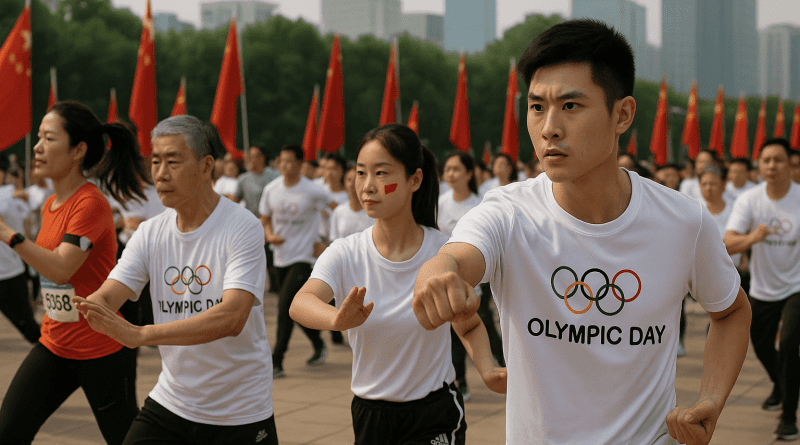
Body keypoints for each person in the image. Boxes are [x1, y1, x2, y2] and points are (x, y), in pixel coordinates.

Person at [412, 20, 751, 445]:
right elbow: (456, 258)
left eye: (570, 106)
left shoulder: (683, 220)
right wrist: (437, 273)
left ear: (622, 114)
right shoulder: (508, 214)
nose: (549, 127)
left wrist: (711, 400)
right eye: (537, 107)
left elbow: (732, 310)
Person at [289, 124, 505, 445]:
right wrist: (336, 320)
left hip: (433, 413)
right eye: (361, 173)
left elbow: (468, 324)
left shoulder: (443, 252)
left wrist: (488, 369)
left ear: (414, 180)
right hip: (370, 413)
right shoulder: (346, 252)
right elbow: (300, 302)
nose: (367, 186)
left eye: (381, 173)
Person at [73, 115, 278, 444]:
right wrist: (92, 305)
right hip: (172, 400)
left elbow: (232, 316)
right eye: (155, 161)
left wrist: (141, 334)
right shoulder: (150, 232)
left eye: (173, 161)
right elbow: (109, 296)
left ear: (205, 165)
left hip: (237, 409)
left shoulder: (242, 227)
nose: (160, 173)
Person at [0, 101, 147, 444]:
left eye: (49, 138)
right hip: (55, 343)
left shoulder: (90, 203)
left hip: (103, 350)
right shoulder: (51, 205)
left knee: (125, 439)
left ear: (78, 149)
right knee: (8, 433)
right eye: (39, 137)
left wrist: (9, 235)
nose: (37, 147)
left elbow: (63, 268)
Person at [724, 138, 800, 441]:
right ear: (760, 165)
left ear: (790, 164)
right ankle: (782, 385)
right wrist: (753, 237)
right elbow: (727, 242)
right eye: (766, 160)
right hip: (762, 288)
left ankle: (788, 418)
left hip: (796, 285)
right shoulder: (750, 200)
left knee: (790, 344)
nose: (771, 166)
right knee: (759, 343)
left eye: (778, 160)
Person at [260, 143, 336, 376]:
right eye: (281, 161)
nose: (284, 165)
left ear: (301, 164)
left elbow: (337, 209)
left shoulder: (313, 190)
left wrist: (324, 240)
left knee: (284, 307)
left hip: (303, 257)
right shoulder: (271, 189)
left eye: (290, 161)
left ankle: (277, 360)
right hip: (280, 257)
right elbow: (265, 218)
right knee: (295, 311)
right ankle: (318, 343)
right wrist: (270, 235)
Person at [438, 151, 505, 400]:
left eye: (456, 169)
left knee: (484, 323)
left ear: (469, 173)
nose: (451, 174)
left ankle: (502, 364)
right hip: (448, 276)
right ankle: (461, 381)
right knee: (454, 330)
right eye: (447, 169)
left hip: (476, 277)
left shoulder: (480, 204)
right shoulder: (441, 203)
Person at [0, 154, 40, 343]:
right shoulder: (9, 195)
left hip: (9, 274)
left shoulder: (11, 197)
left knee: (30, 329)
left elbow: (33, 197)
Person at [233, 145, 280, 292]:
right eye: (249, 156)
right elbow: (235, 200)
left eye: (255, 156)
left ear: (262, 158)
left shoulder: (274, 176)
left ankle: (275, 285)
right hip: (251, 223)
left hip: (271, 222)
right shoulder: (243, 179)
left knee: (270, 256)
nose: (251, 160)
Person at [328, 164, 373, 242]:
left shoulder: (374, 213)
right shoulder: (338, 212)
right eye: (349, 180)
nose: (352, 184)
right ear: (344, 183)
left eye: (356, 180)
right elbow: (334, 242)